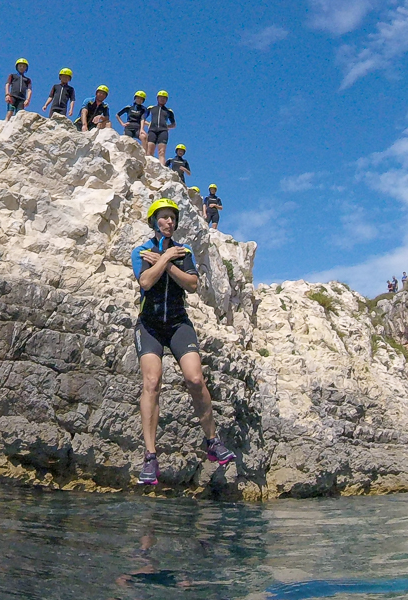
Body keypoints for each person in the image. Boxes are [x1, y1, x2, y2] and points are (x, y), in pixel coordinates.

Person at [131, 198, 237, 485]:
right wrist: (165, 259)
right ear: (154, 221)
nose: (169, 223)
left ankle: (212, 441)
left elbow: (192, 285)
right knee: (152, 382)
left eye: (173, 219)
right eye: (164, 218)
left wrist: (165, 263)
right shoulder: (141, 251)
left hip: (179, 324)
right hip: (150, 325)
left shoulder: (184, 251)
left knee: (195, 379)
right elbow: (145, 282)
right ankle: (151, 457)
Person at [143, 90, 176, 165]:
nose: (162, 99)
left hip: (163, 131)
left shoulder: (169, 111)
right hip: (152, 130)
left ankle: (162, 168)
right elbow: (142, 119)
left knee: (161, 152)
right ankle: (148, 167)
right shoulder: (151, 108)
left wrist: (167, 127)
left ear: (166, 100)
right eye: (161, 98)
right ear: (157, 98)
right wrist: (148, 124)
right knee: (149, 151)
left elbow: (173, 124)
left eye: (164, 98)